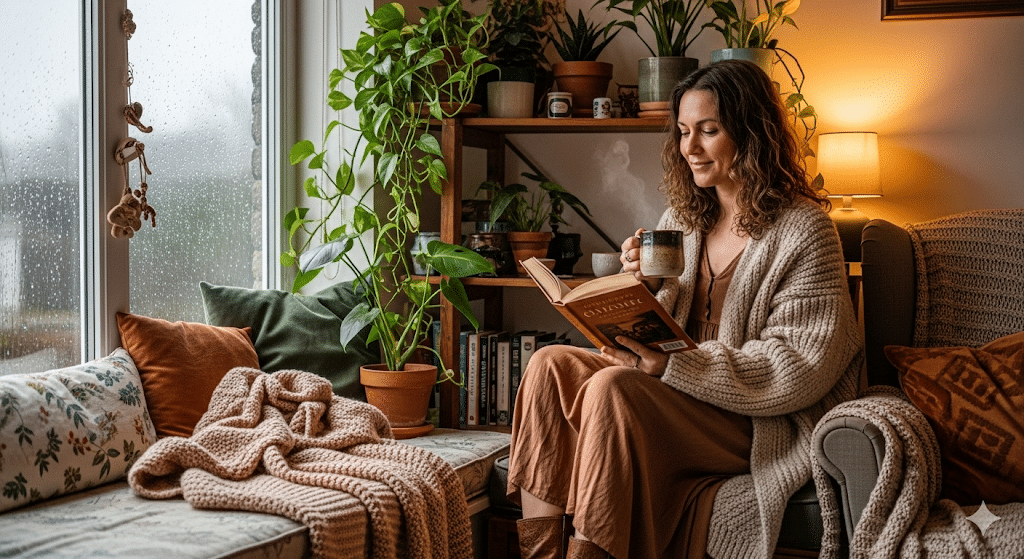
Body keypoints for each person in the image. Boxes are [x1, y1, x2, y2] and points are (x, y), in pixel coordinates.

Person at [506, 59, 864, 559]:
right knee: (549, 365)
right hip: (673, 391)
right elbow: (660, 327)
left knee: (612, 386)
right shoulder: (684, 218)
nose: (689, 148)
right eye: (682, 132)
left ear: (752, 132)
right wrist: (642, 286)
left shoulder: (805, 230)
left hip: (755, 420)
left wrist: (676, 365)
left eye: (708, 131)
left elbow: (800, 366)